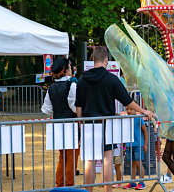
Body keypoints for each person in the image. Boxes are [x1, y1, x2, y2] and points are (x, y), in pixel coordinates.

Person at [75, 47, 153, 192]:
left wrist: (80, 123)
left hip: (88, 124)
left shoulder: (82, 79)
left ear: (93, 60)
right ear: (106, 60)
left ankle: (88, 191)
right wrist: (143, 110)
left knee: (89, 161)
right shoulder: (111, 79)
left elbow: (78, 107)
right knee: (107, 159)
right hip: (106, 123)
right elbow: (127, 101)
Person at [41, 57, 79, 187]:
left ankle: (59, 184)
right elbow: (74, 106)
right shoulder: (72, 85)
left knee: (63, 157)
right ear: (66, 70)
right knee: (72, 157)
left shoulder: (52, 88)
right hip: (71, 125)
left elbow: (46, 109)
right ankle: (69, 185)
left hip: (58, 124)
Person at [122, 116, 148, 190]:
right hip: (129, 146)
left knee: (139, 164)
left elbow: (145, 132)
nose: (129, 111)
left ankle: (142, 182)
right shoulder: (126, 120)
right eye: (127, 109)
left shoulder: (139, 119)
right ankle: (133, 182)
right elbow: (125, 134)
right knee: (132, 165)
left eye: (131, 109)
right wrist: (124, 147)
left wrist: (145, 144)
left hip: (138, 145)